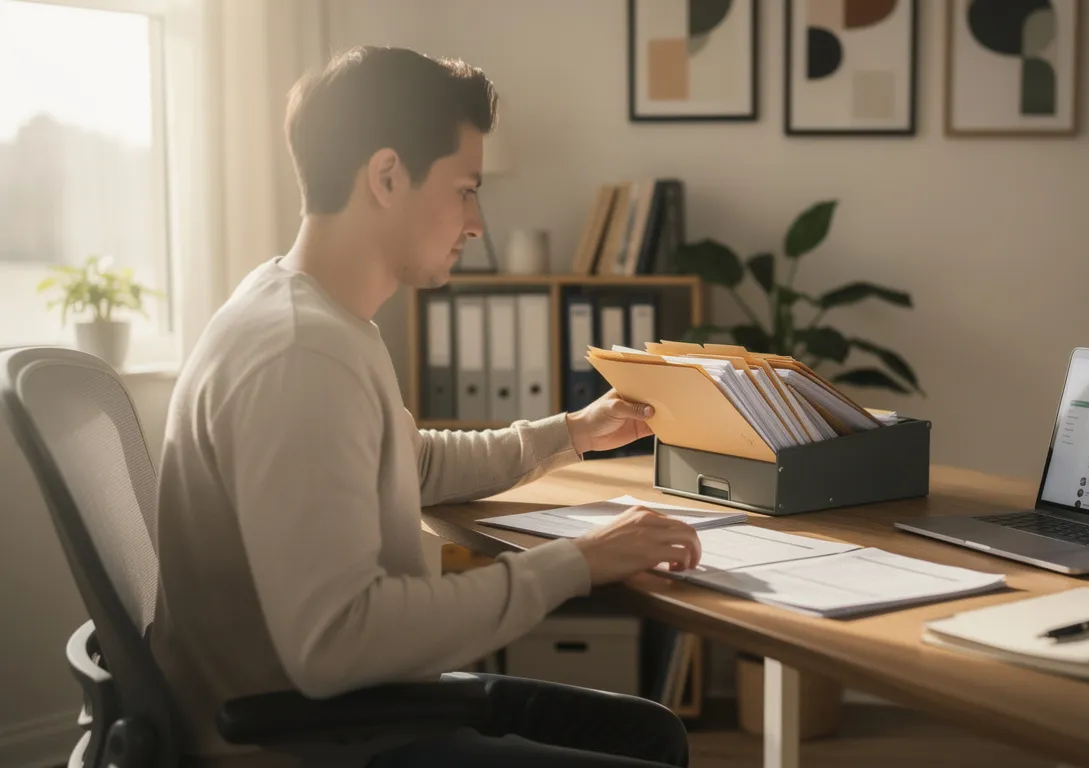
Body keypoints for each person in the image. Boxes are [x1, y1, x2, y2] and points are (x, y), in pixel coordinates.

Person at [149, 45, 702, 768]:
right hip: (310, 744)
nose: (475, 222)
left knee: (649, 732)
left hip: (342, 715)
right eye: (466, 188)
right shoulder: (300, 355)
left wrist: (570, 433)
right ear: (386, 177)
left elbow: (412, 461)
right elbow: (336, 642)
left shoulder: (306, 312)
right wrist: (577, 563)